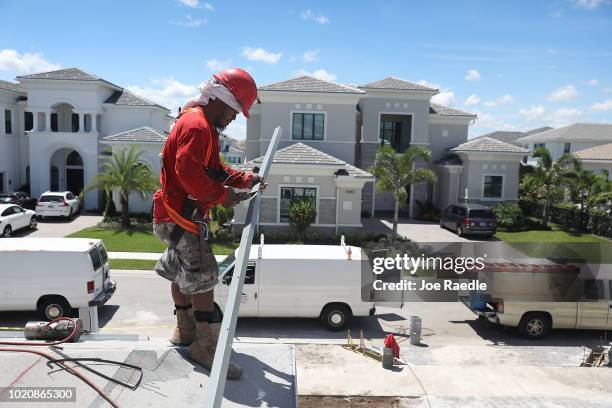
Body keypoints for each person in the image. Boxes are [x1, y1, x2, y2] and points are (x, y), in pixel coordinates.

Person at [152, 68, 262, 380]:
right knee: (203, 276)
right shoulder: (199, 127)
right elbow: (188, 173)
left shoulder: (199, 122)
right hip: (181, 216)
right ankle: (204, 347)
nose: (235, 118)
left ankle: (185, 329)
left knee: (183, 271)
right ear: (223, 101)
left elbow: (211, 168)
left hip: (173, 214)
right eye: (235, 111)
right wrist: (221, 196)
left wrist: (242, 179)